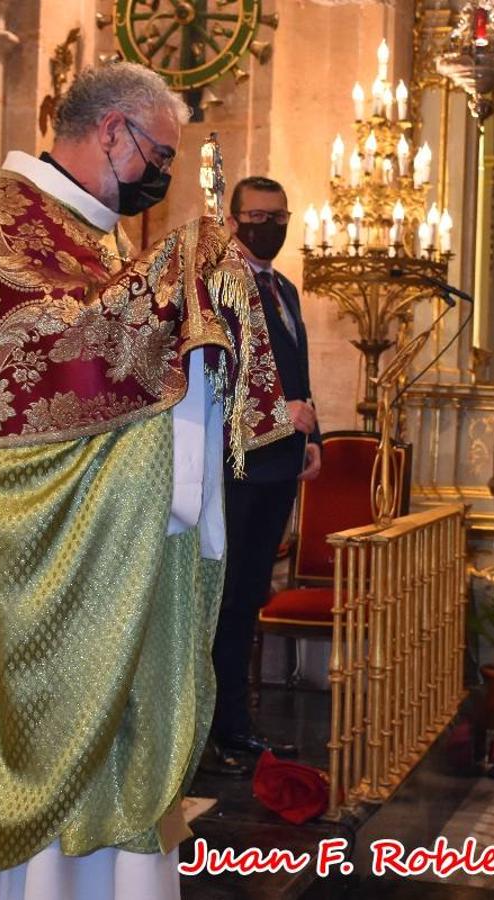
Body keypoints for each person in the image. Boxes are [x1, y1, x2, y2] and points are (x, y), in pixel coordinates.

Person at [0, 63, 294, 899]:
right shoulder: (2, 206)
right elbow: (51, 348)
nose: (162, 172)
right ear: (114, 131)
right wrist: (184, 266)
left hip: (119, 534)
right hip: (41, 532)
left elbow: (134, 350)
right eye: (160, 152)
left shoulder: (100, 239)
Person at [204, 176, 322, 775]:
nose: (269, 225)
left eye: (279, 215)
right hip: (238, 464)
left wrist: (312, 435)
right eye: (257, 215)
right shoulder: (221, 287)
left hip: (281, 462)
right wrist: (280, 417)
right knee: (225, 599)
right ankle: (218, 729)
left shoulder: (285, 289)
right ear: (233, 221)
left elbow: (296, 368)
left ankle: (238, 723)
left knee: (251, 595)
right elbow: (214, 377)